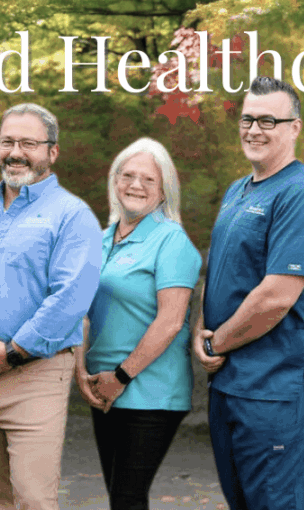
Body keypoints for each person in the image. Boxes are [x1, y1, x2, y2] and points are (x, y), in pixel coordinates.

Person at [0, 102, 103, 510]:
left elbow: (71, 296)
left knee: (33, 500)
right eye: (8, 141)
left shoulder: (72, 215)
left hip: (35, 374)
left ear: (52, 151)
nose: (16, 152)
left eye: (28, 143)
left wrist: (12, 353)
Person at [194, 76, 304, 510]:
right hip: (231, 384)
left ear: (295, 127)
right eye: (248, 119)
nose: (254, 130)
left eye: (269, 121)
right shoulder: (237, 191)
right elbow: (219, 274)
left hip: (277, 389)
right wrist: (199, 333)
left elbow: (275, 297)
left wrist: (216, 342)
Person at [74, 138, 202, 510]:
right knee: (121, 498)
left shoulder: (171, 242)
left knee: (128, 498)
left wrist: (121, 376)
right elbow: (80, 311)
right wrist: (82, 372)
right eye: (128, 175)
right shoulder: (99, 242)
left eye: (149, 179)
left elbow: (170, 321)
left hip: (150, 390)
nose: (136, 185)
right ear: (115, 182)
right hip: (103, 386)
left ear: (164, 191)